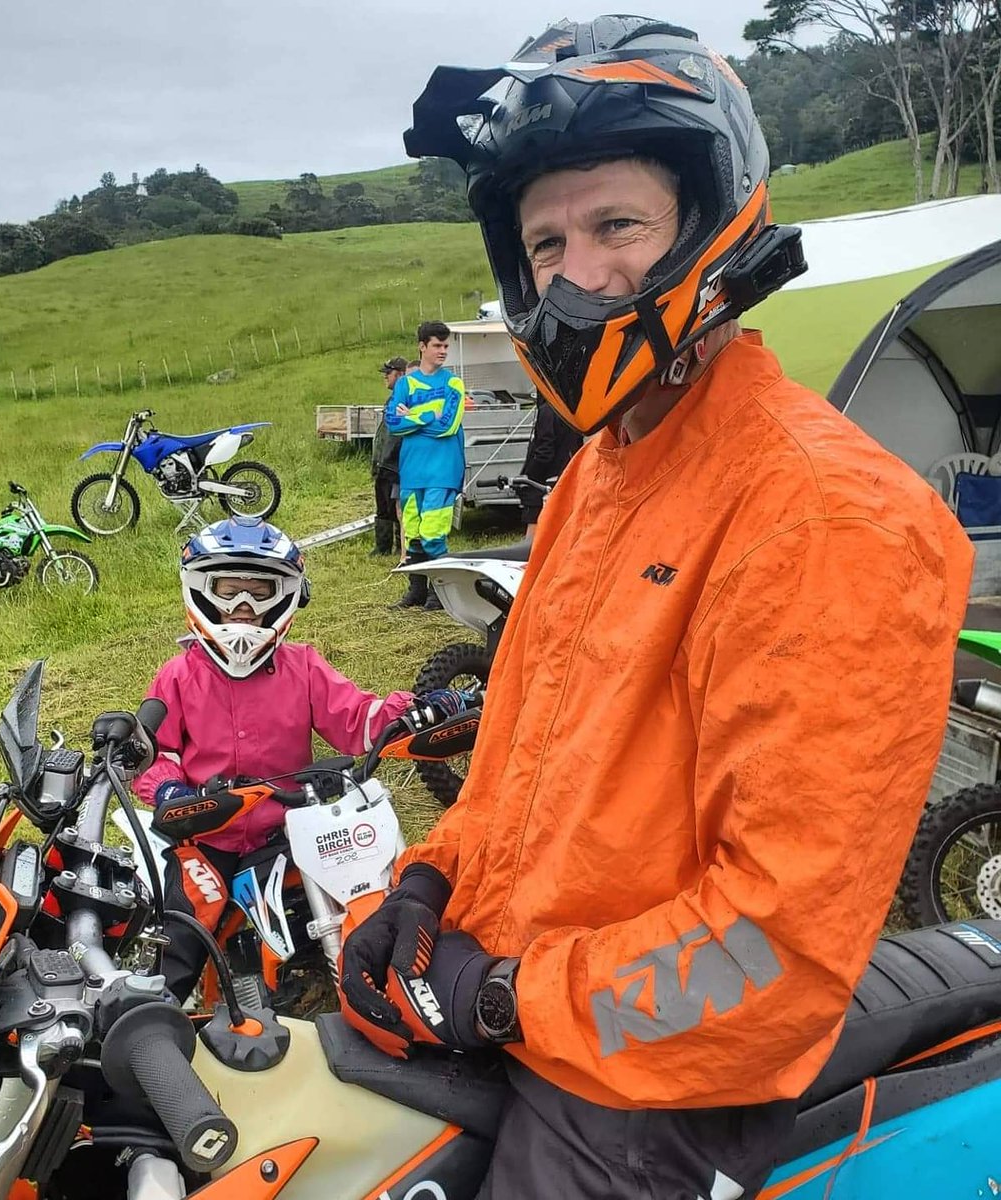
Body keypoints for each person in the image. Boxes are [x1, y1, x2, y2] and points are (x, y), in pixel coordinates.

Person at [338, 16, 974, 1200]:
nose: (576, 275)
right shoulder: (603, 471)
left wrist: (497, 995)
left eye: (617, 224)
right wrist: (424, 882)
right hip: (536, 1009)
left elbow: (770, 943)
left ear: (711, 224)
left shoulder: (823, 516)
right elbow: (526, 770)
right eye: (545, 241)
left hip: (648, 1085)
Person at [127, 516, 470, 1002]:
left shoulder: (303, 666)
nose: (243, 606)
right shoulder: (178, 676)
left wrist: (415, 711)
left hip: (290, 827)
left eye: (259, 590)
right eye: (230, 589)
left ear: (285, 595)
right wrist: (172, 792)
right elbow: (155, 754)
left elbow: (359, 719)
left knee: (366, 888)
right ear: (202, 590)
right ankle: (152, 1018)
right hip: (209, 835)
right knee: (187, 927)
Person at [385, 321, 467, 610]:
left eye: (446, 346)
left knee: (434, 533)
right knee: (415, 534)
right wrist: (429, 412)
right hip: (412, 471)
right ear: (422, 346)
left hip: (442, 470)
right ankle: (416, 592)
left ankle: (440, 594)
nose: (443, 351)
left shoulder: (453, 383)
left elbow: (448, 425)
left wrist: (414, 416)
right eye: (437, 345)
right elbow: (393, 424)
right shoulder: (405, 383)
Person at [514, 394, 582, 536]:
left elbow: (544, 452)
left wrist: (529, 476)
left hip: (541, 483)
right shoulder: (572, 411)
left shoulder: (547, 411)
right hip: (565, 476)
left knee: (532, 536)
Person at [370, 357, 407, 556]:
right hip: (383, 462)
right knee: (383, 504)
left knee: (399, 507)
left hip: (395, 463)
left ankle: (402, 547)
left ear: (400, 374)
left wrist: (390, 459)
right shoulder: (392, 398)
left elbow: (399, 436)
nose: (385, 376)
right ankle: (382, 547)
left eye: (389, 373)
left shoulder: (405, 398)